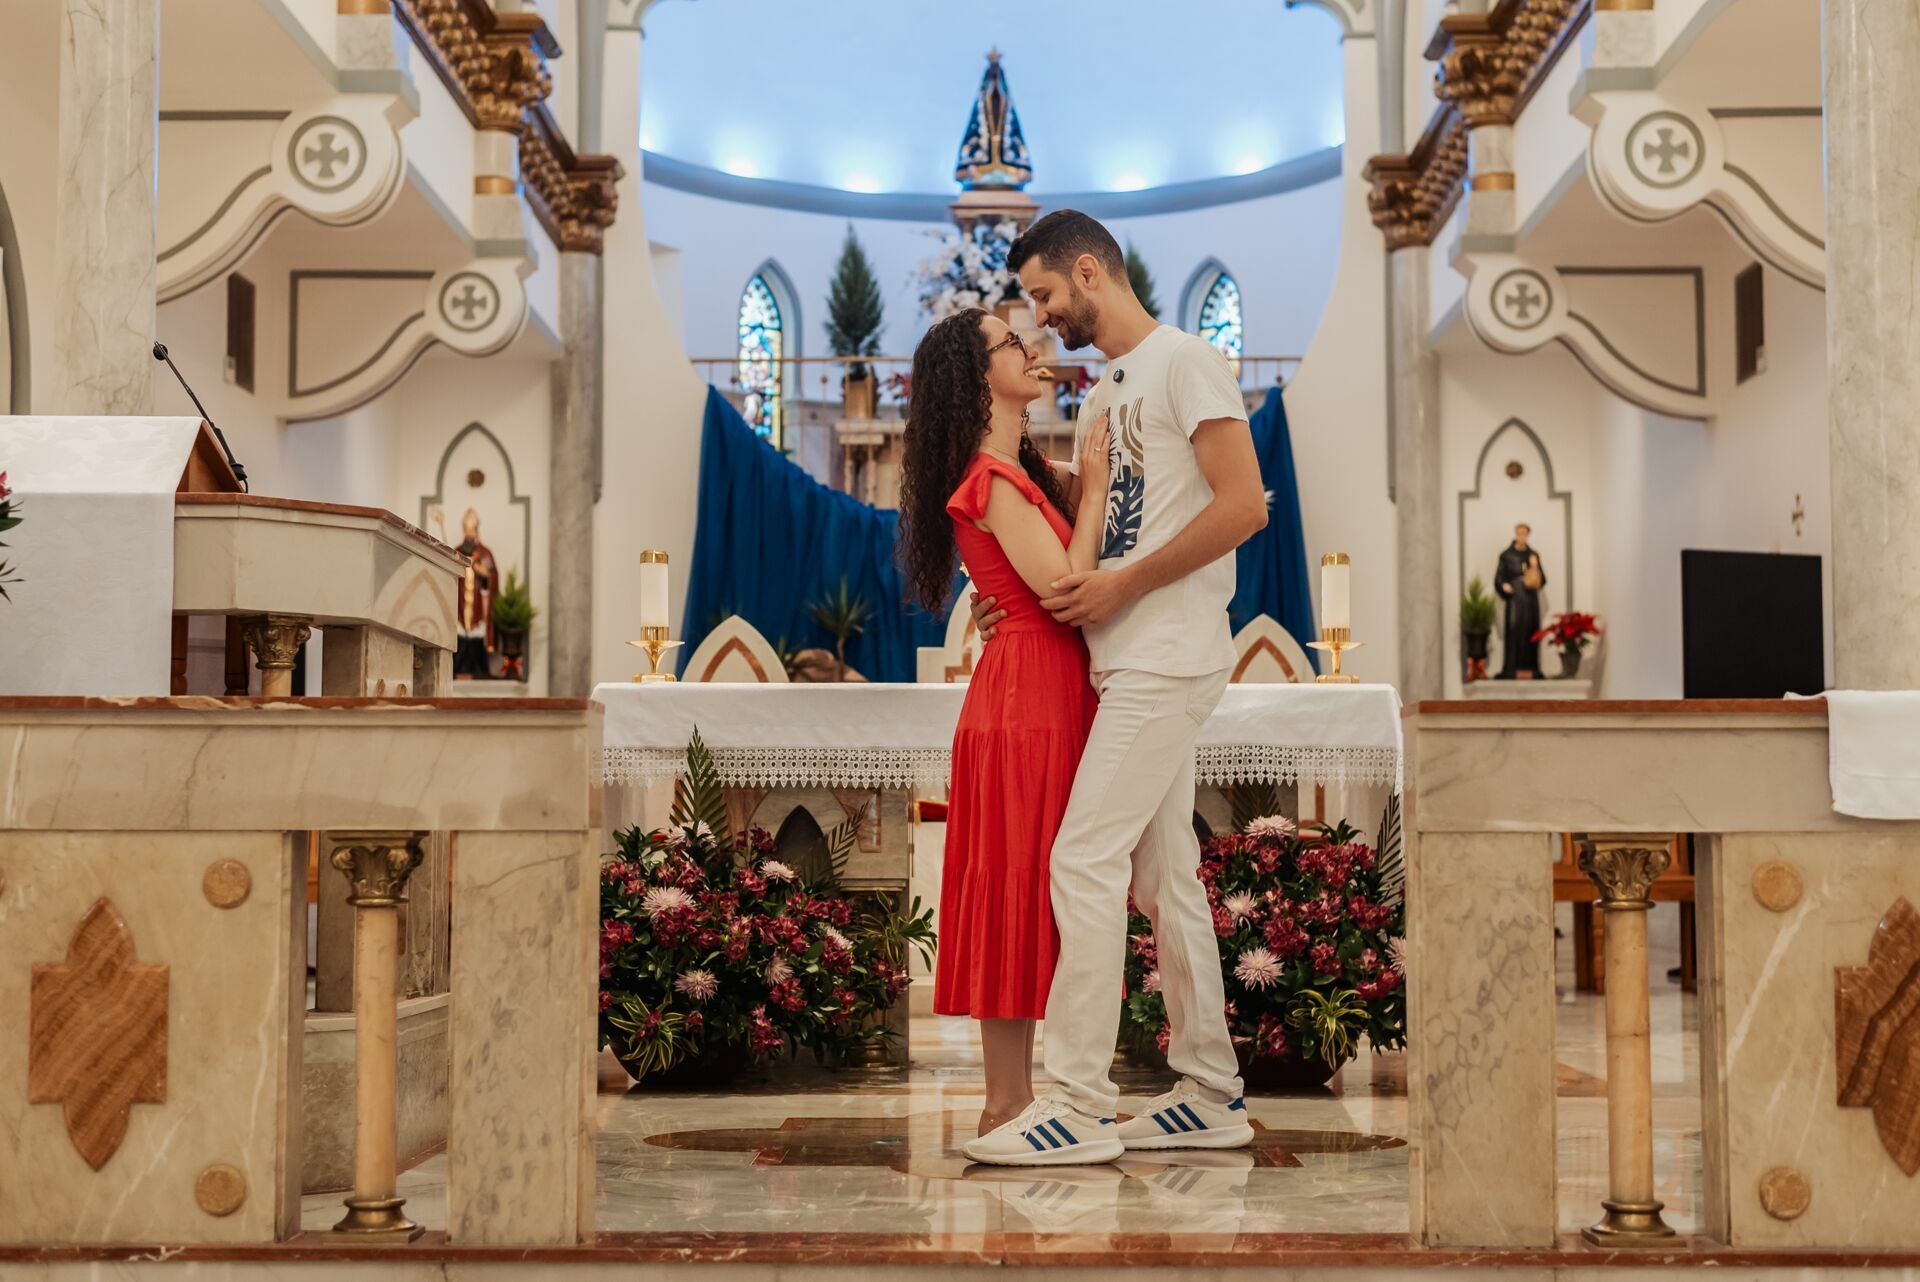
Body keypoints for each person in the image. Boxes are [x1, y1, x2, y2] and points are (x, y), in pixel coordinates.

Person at [964, 210, 1269, 1166]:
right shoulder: (1104, 394)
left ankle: (1079, 1102)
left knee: (1081, 858)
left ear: (1089, 271)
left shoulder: (1188, 362)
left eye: (1047, 296)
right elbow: (1080, 507)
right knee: (1162, 876)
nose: (1043, 318)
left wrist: (1124, 586)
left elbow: (1244, 507)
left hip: (1166, 652)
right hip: (1122, 657)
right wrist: (1001, 590)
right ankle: (1210, 1090)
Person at [896, 307, 1113, 1140]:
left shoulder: (1018, 469)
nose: (1031, 348)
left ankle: (1023, 1099)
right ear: (975, 374)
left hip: (1044, 683)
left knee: (1045, 881)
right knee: (1018, 879)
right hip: (1028, 696)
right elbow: (1067, 589)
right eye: (1011, 342)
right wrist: (1096, 490)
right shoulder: (989, 481)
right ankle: (1005, 1102)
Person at [1495, 522, 1546, 678]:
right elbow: (1499, 578)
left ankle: (1531, 668)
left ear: (1528, 535)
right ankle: (1511, 668)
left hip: (1530, 600)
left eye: (1525, 533)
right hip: (1515, 599)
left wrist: (1535, 567)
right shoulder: (1506, 555)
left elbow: (1542, 580)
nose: (1522, 536)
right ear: (1516, 534)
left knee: (1530, 631)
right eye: (1519, 533)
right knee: (1514, 630)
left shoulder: (1533, 555)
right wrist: (1504, 585)